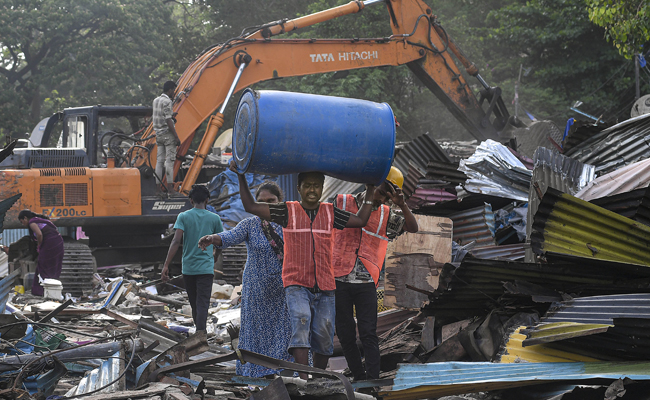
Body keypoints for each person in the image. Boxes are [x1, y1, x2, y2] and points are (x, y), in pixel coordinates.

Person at [230, 160, 375, 378]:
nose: (312, 190)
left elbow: (361, 220)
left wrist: (371, 189)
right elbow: (251, 207)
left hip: (325, 286)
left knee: (324, 335)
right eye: (307, 185)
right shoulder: (287, 212)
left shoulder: (330, 213)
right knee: (301, 323)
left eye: (316, 185)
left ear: (322, 188)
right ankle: (304, 378)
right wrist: (241, 176)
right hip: (296, 284)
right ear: (299, 188)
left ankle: (317, 377)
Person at [332, 166, 419, 382]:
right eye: (380, 192)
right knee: (346, 335)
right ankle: (359, 378)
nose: (382, 199)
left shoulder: (386, 214)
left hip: (366, 281)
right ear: (369, 185)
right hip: (338, 278)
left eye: (387, 196)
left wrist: (402, 205)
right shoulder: (341, 202)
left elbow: (413, 227)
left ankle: (372, 381)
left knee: (369, 334)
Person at [198, 181, 292, 377]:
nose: (266, 205)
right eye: (261, 201)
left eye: (271, 201)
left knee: (283, 331)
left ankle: (283, 370)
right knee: (255, 331)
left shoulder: (290, 224)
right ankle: (256, 372)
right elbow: (229, 237)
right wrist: (212, 238)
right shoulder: (249, 225)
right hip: (256, 289)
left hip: (283, 289)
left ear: (280, 201)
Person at [161, 185, 224, 332]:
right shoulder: (214, 218)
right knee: (202, 303)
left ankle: (199, 333)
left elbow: (176, 241)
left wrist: (166, 265)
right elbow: (221, 242)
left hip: (188, 269)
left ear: (191, 200)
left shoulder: (183, 216)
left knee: (195, 304)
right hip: (206, 268)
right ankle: (201, 334)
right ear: (207, 200)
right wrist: (216, 256)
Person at [18, 210, 65, 296]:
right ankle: (52, 289)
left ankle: (41, 291)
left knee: (43, 265)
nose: (23, 224)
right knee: (52, 266)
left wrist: (39, 245)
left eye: (22, 222)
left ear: (25, 218)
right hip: (57, 242)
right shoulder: (39, 220)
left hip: (50, 244)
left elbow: (39, 234)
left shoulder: (32, 222)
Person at [153, 80, 181, 195]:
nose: (174, 93)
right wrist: (176, 137)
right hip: (167, 135)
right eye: (173, 90)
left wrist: (171, 114)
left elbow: (161, 115)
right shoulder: (167, 101)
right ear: (169, 90)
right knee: (169, 162)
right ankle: (170, 189)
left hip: (158, 135)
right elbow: (168, 120)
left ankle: (158, 190)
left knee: (159, 162)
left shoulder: (156, 101)